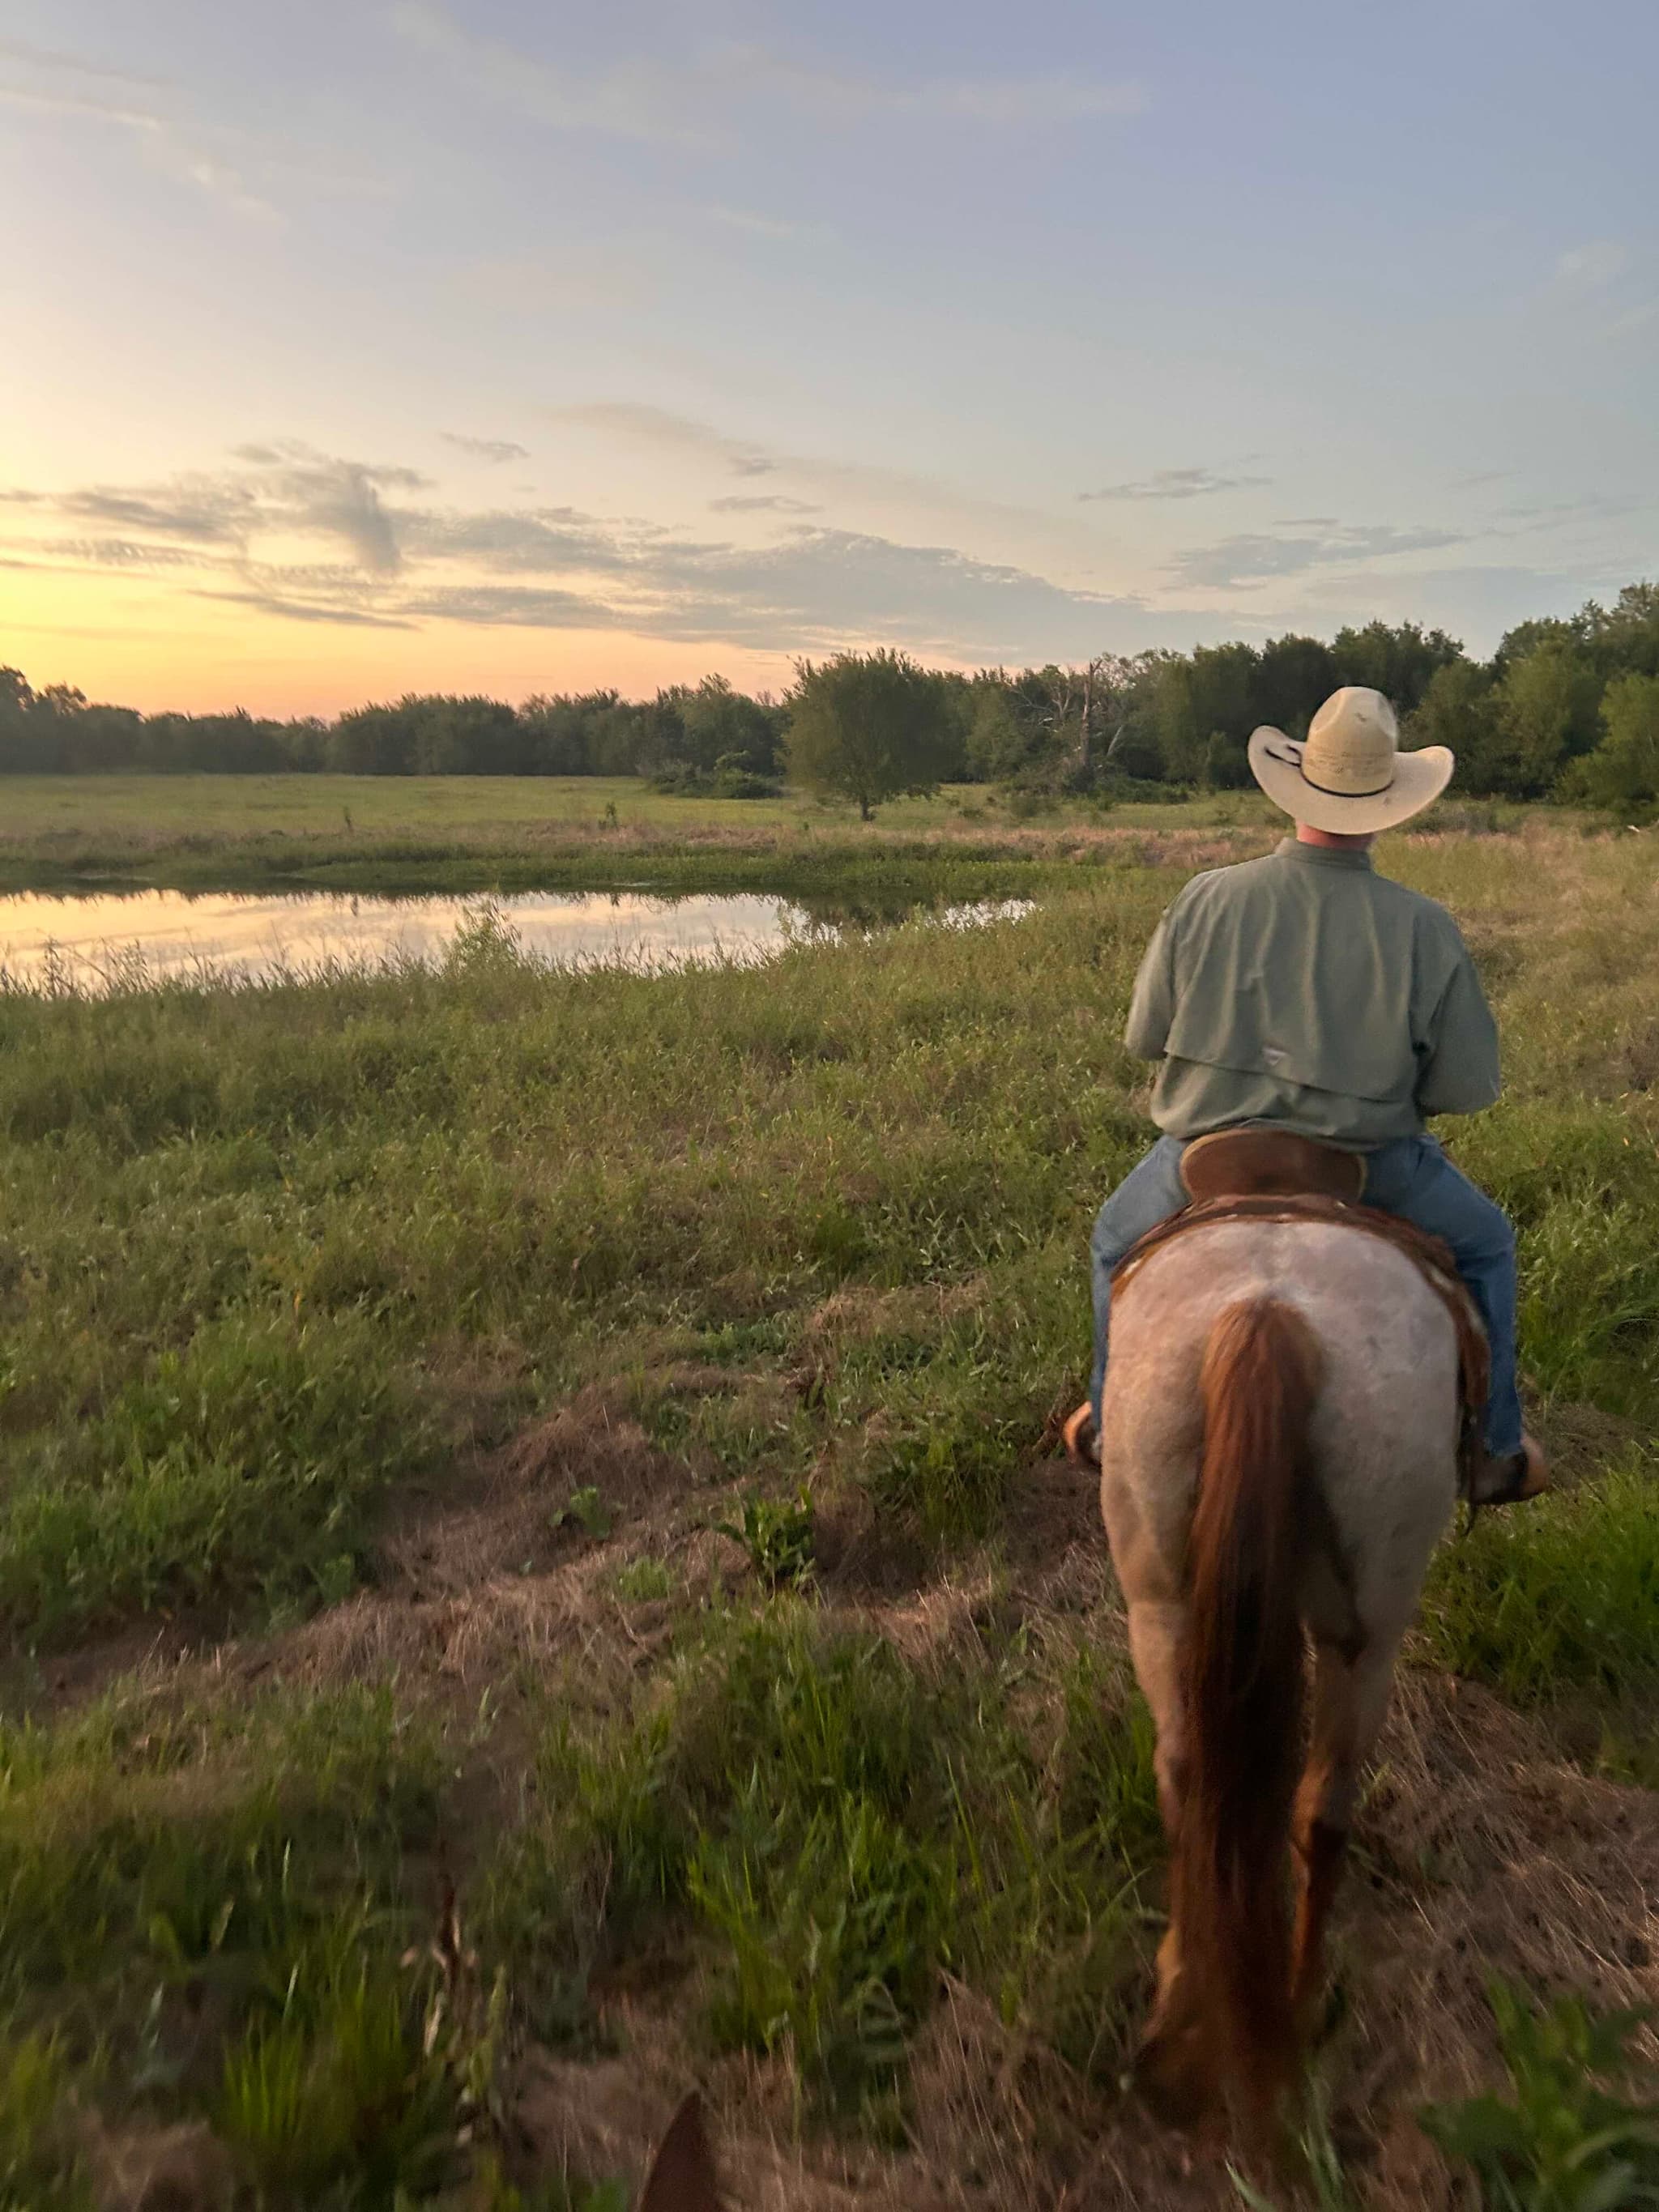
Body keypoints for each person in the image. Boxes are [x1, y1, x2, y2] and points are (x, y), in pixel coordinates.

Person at [1064, 685, 1546, 1507]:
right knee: (1487, 1245)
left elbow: (1144, 1034)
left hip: (1201, 1160)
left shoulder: (1204, 896)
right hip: (1365, 1166)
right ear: (1386, 803)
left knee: (1113, 1242)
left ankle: (1110, 1424)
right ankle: (1493, 1447)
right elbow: (1464, 1087)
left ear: (1295, 788)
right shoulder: (1422, 924)